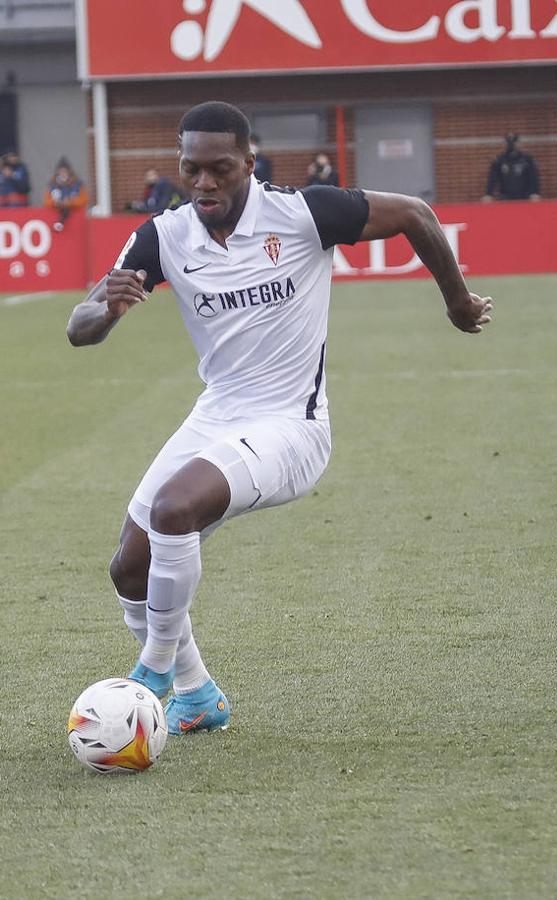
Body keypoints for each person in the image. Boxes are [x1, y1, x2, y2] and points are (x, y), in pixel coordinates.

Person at [65, 101, 491, 736]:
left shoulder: (301, 213)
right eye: (192, 170)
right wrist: (108, 310)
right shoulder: (163, 235)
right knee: (131, 565)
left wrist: (456, 300)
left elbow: (414, 213)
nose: (205, 183)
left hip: (294, 426)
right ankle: (196, 693)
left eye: (220, 169)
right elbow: (80, 326)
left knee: (174, 508)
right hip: (218, 416)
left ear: (248, 163)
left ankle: (148, 674)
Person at [482, 132, 541, 202]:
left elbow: (533, 177)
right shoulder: (499, 160)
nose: (512, 145)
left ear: (519, 143)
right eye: (509, 143)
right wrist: (489, 194)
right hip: (505, 197)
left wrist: (535, 192)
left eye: (515, 143)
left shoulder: (527, 159)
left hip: (524, 197)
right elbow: (492, 178)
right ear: (505, 144)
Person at [44, 157, 88, 231]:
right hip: (55, 218)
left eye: (65, 172)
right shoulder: (52, 185)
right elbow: (46, 201)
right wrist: (55, 202)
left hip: (76, 223)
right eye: (61, 172)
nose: (63, 174)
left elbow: (84, 200)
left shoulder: (77, 184)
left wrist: (70, 202)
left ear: (69, 173)